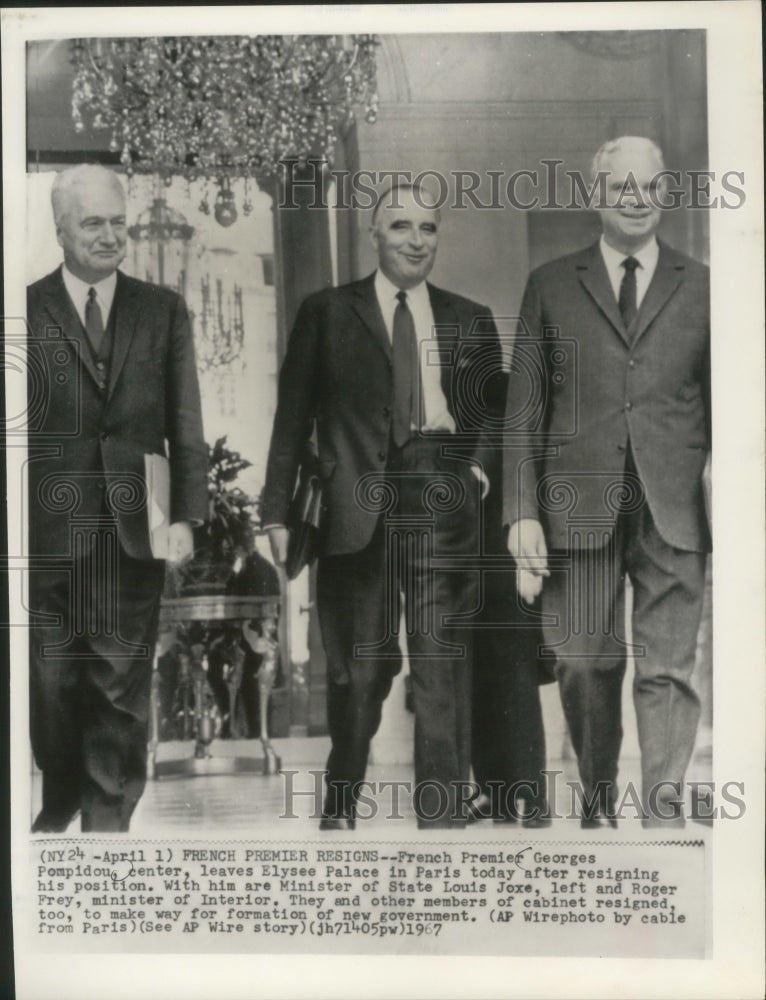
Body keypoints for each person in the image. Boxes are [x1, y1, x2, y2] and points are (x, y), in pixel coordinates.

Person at [262, 182, 505, 829]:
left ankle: (443, 804)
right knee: (360, 669)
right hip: (354, 503)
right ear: (375, 235)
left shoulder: (469, 316)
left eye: (427, 228)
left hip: (439, 493)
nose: (415, 240)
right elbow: (291, 419)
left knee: (439, 657)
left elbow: (490, 412)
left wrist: (476, 471)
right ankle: (342, 794)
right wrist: (273, 512)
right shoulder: (326, 312)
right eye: (401, 227)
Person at [503, 136, 710, 828]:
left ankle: (663, 813)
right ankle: (596, 796)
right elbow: (522, 411)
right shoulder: (551, 284)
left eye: (649, 186)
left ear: (664, 192)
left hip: (674, 506)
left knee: (668, 671)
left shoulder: (703, 284)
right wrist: (521, 512)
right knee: (584, 664)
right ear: (596, 194)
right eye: (621, 187)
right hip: (575, 505)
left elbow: (733, 407)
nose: (636, 199)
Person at [27, 164, 207, 832]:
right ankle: (65, 789)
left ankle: (109, 822)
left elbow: (186, 421)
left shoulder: (162, 310)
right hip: (45, 533)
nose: (109, 236)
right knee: (49, 687)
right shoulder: (23, 309)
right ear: (62, 229)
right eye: (92, 223)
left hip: (135, 528)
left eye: (116, 221)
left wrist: (186, 515)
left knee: (118, 684)